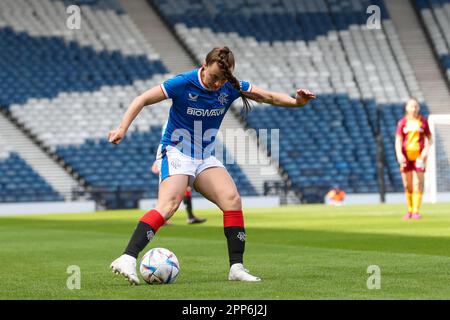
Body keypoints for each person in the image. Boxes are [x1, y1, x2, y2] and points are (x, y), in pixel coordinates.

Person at [108, 46, 316, 284]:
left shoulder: (230, 86)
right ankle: (127, 257)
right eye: (215, 78)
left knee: (232, 200)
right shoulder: (184, 83)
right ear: (204, 66)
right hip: (176, 150)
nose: (218, 84)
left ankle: (236, 267)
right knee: (169, 205)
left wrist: (296, 102)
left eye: (223, 79)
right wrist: (122, 128)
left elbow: (267, 96)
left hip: (204, 155)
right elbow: (142, 99)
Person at [395, 98, 432, 220]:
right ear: (407, 108)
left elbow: (429, 140)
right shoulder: (402, 123)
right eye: (412, 106)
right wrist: (399, 154)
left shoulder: (423, 122)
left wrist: (424, 154)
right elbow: (398, 140)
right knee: (407, 184)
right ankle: (409, 210)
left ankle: (416, 210)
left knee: (417, 183)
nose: (414, 109)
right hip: (406, 157)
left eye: (416, 106)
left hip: (418, 157)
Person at [151, 159, 207, 224]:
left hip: (174, 179)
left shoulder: (176, 157)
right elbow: (154, 169)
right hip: (169, 180)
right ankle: (160, 220)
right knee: (167, 202)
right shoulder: (166, 157)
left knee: (184, 195)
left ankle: (190, 216)